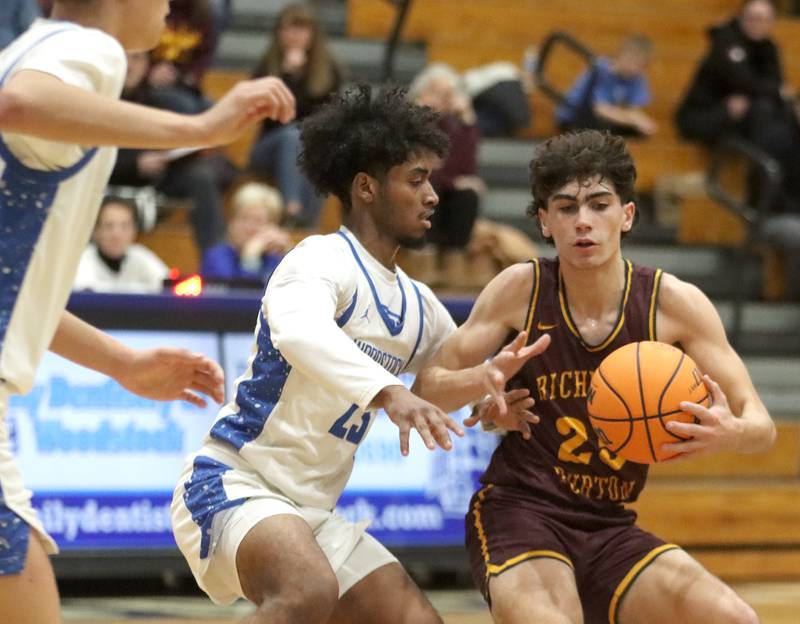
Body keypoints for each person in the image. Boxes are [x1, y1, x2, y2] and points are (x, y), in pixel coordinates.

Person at [0, 1, 295, 622]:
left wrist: (121, 361)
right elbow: (22, 102)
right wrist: (201, 130)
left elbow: (19, 293)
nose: (168, 5)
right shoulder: (92, 51)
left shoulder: (33, 46)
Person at [412, 130, 774, 624]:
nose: (583, 221)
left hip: (609, 526)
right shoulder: (520, 289)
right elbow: (426, 387)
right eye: (565, 208)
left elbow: (762, 427)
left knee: (736, 619)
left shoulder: (674, 303)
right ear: (544, 221)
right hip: (521, 511)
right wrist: (484, 379)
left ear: (627, 214)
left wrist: (731, 432)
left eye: (599, 204)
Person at [171, 85, 464, 624]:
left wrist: (494, 388)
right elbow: (300, 332)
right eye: (416, 179)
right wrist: (389, 391)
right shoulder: (319, 258)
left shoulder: (420, 304)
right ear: (366, 188)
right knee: (306, 589)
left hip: (313, 515)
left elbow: (445, 378)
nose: (433, 195)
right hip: (235, 481)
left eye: (431, 180)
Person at [676, 0, 800, 209]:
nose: (757, 24)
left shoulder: (769, 48)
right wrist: (774, 92)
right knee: (763, 111)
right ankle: (763, 197)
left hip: (747, 120)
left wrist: (776, 94)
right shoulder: (726, 42)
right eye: (753, 18)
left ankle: (777, 189)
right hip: (704, 116)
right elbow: (743, 80)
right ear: (742, 18)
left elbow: (773, 86)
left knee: (780, 116)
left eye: (763, 19)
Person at [110, 50, 227, 253]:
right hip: (111, 184)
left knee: (201, 175)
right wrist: (135, 164)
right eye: (125, 57)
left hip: (157, 184)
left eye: (137, 58)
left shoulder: (161, 100)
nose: (130, 65)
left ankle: (213, 257)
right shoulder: (101, 100)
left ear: (148, 65)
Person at [248, 2, 343, 228]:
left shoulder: (329, 69)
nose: (294, 35)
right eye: (288, 29)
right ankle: (292, 207)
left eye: (301, 29)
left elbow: (325, 120)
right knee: (292, 136)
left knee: (316, 150)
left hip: (308, 145)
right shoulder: (266, 68)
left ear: (312, 34)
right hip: (269, 147)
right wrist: (288, 77)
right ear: (279, 33)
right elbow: (272, 117)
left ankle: (307, 227)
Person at [409, 63, 485, 289]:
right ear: (421, 93)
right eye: (437, 92)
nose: (443, 100)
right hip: (410, 187)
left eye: (448, 94)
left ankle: (455, 265)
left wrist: (468, 122)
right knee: (429, 185)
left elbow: (465, 167)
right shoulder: (408, 121)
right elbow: (422, 167)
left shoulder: (452, 125)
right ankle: (424, 260)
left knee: (468, 193)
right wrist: (424, 115)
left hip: (443, 188)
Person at [557, 34, 658, 138]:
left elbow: (632, 108)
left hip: (604, 118)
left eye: (640, 65)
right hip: (575, 117)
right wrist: (632, 119)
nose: (634, 68)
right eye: (631, 61)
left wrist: (639, 119)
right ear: (620, 55)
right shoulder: (600, 68)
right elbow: (600, 109)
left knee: (639, 132)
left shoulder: (637, 78)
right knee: (604, 125)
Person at [73, 195, 169, 293]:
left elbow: (169, 284)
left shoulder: (140, 255)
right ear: (95, 231)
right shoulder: (82, 260)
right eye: (109, 226)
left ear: (134, 231)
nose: (117, 235)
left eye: (125, 226)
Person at [201, 181, 292, 284]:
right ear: (231, 222)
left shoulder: (276, 258)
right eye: (244, 219)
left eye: (258, 221)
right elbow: (240, 298)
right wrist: (250, 259)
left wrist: (288, 255)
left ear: (273, 226)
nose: (250, 228)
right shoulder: (216, 257)